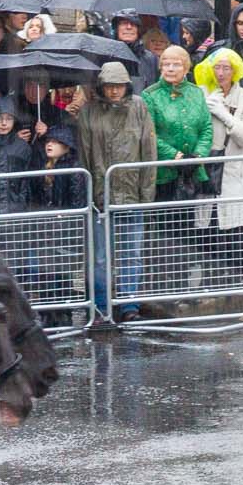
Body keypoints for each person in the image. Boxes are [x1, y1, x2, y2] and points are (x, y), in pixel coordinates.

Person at [79, 61, 156, 319]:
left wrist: (147, 196)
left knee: (131, 253)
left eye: (119, 86)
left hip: (132, 191)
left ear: (127, 86)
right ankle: (101, 305)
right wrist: (91, 194)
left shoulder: (139, 107)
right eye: (110, 86)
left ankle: (129, 305)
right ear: (102, 87)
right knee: (99, 256)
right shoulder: (88, 112)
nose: (114, 91)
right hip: (101, 194)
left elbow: (149, 152)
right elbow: (85, 157)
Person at [143, 46, 211, 287]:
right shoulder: (150, 95)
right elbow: (150, 133)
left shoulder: (196, 93)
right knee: (164, 232)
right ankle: (162, 284)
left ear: (186, 68)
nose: (171, 69)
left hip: (192, 173)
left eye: (176, 64)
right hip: (165, 174)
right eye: (166, 64)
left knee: (187, 232)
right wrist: (176, 156)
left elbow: (206, 128)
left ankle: (182, 283)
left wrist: (198, 155)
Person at [199, 49, 243, 284]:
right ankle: (208, 284)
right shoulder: (201, 94)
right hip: (207, 174)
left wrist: (225, 115)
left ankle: (231, 283)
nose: (221, 73)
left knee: (232, 234)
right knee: (206, 233)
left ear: (235, 71)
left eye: (226, 68)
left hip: (233, 176)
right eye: (217, 67)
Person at [113, 11, 161, 89]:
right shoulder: (106, 56)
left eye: (133, 24)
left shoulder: (151, 58)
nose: (129, 27)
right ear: (116, 28)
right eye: (124, 23)